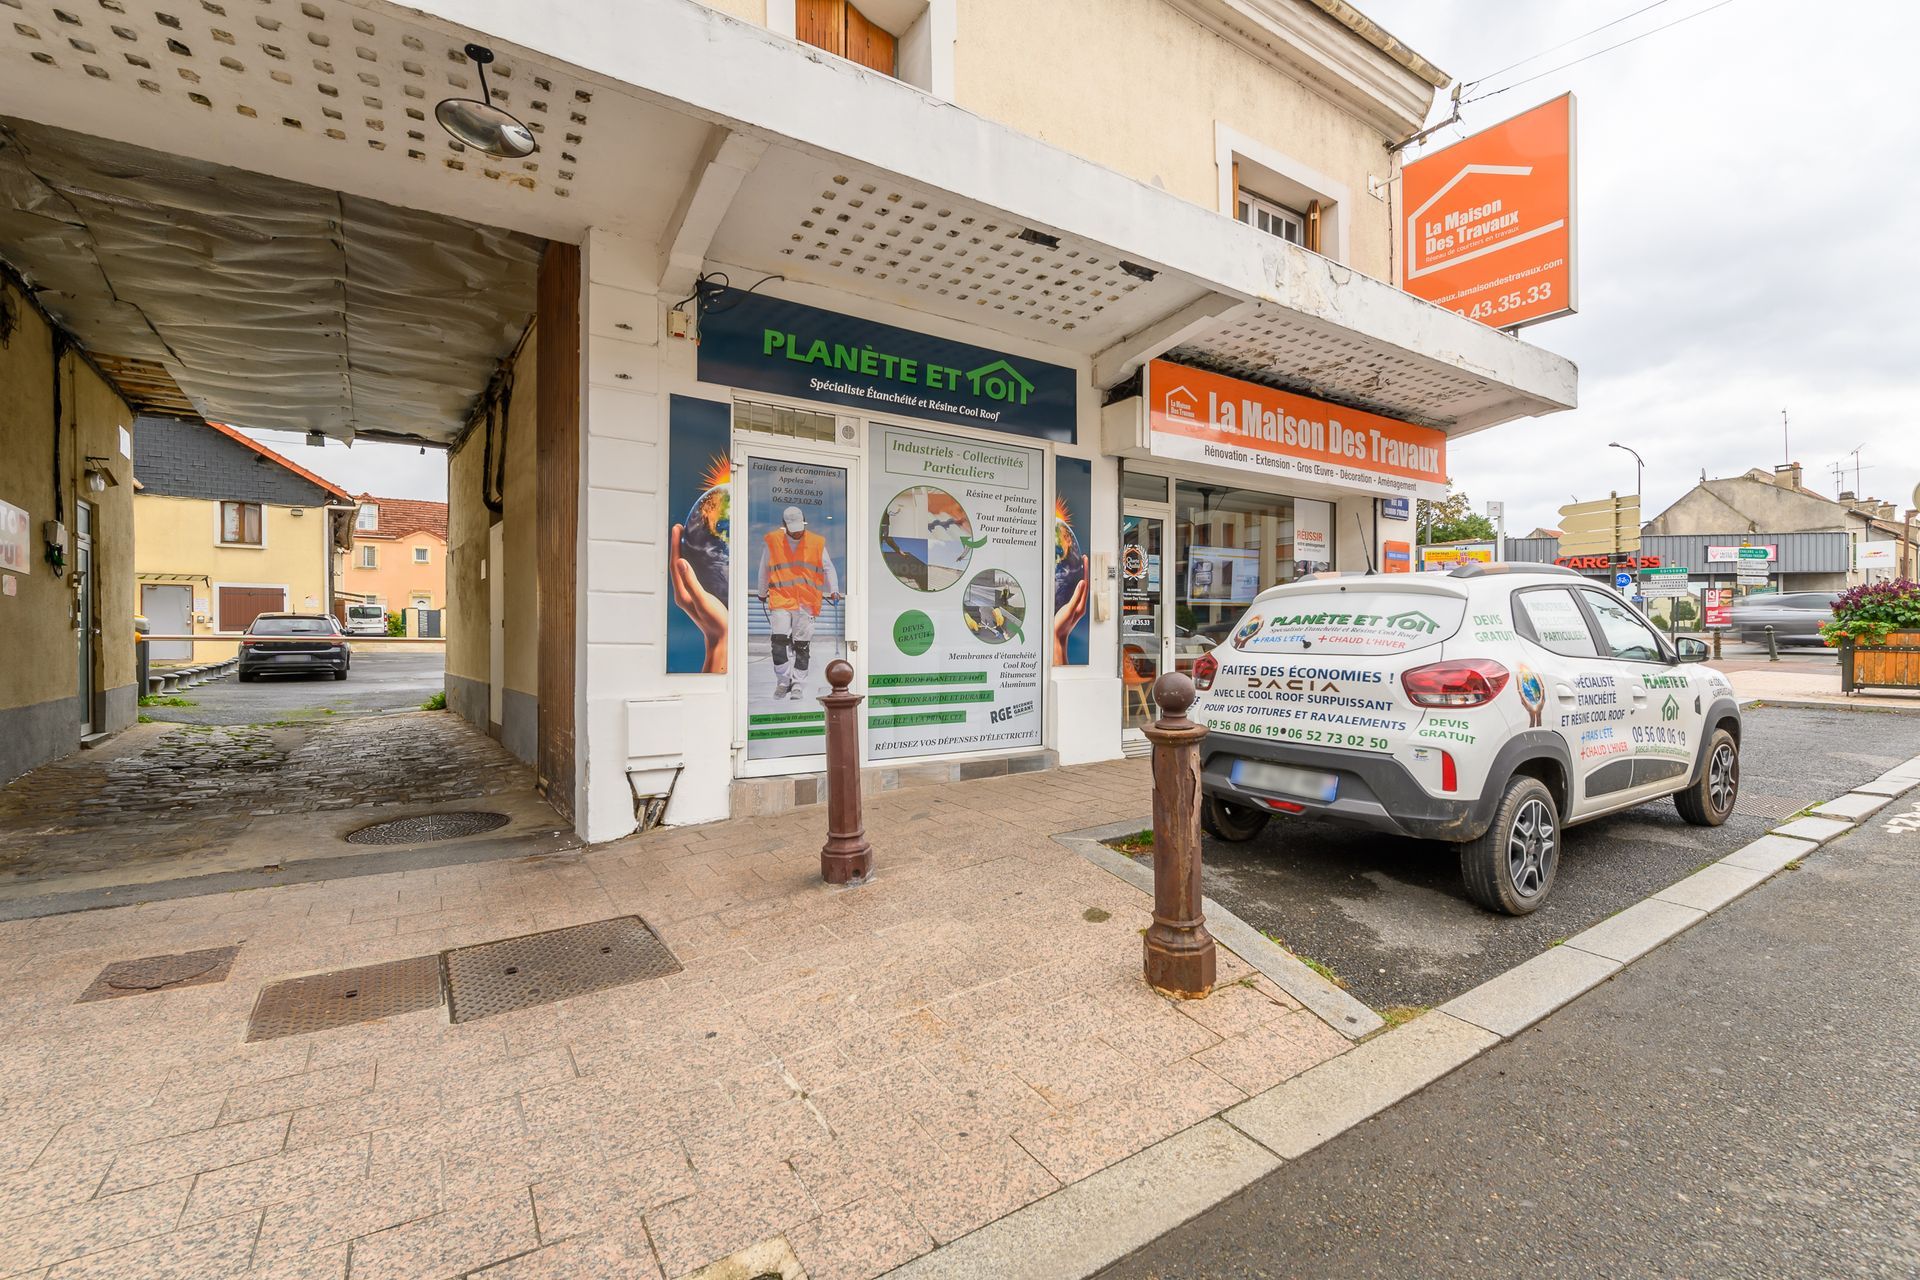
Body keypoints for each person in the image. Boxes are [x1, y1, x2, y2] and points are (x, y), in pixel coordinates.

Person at [757, 506, 841, 700]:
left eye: (799, 527)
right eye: (792, 528)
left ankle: (798, 684)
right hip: (781, 598)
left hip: (806, 601)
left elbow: (829, 568)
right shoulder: (772, 541)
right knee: (778, 643)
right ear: (784, 525)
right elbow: (764, 570)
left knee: (802, 645)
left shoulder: (817, 542)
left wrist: (834, 589)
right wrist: (762, 593)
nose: (797, 532)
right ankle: (783, 681)